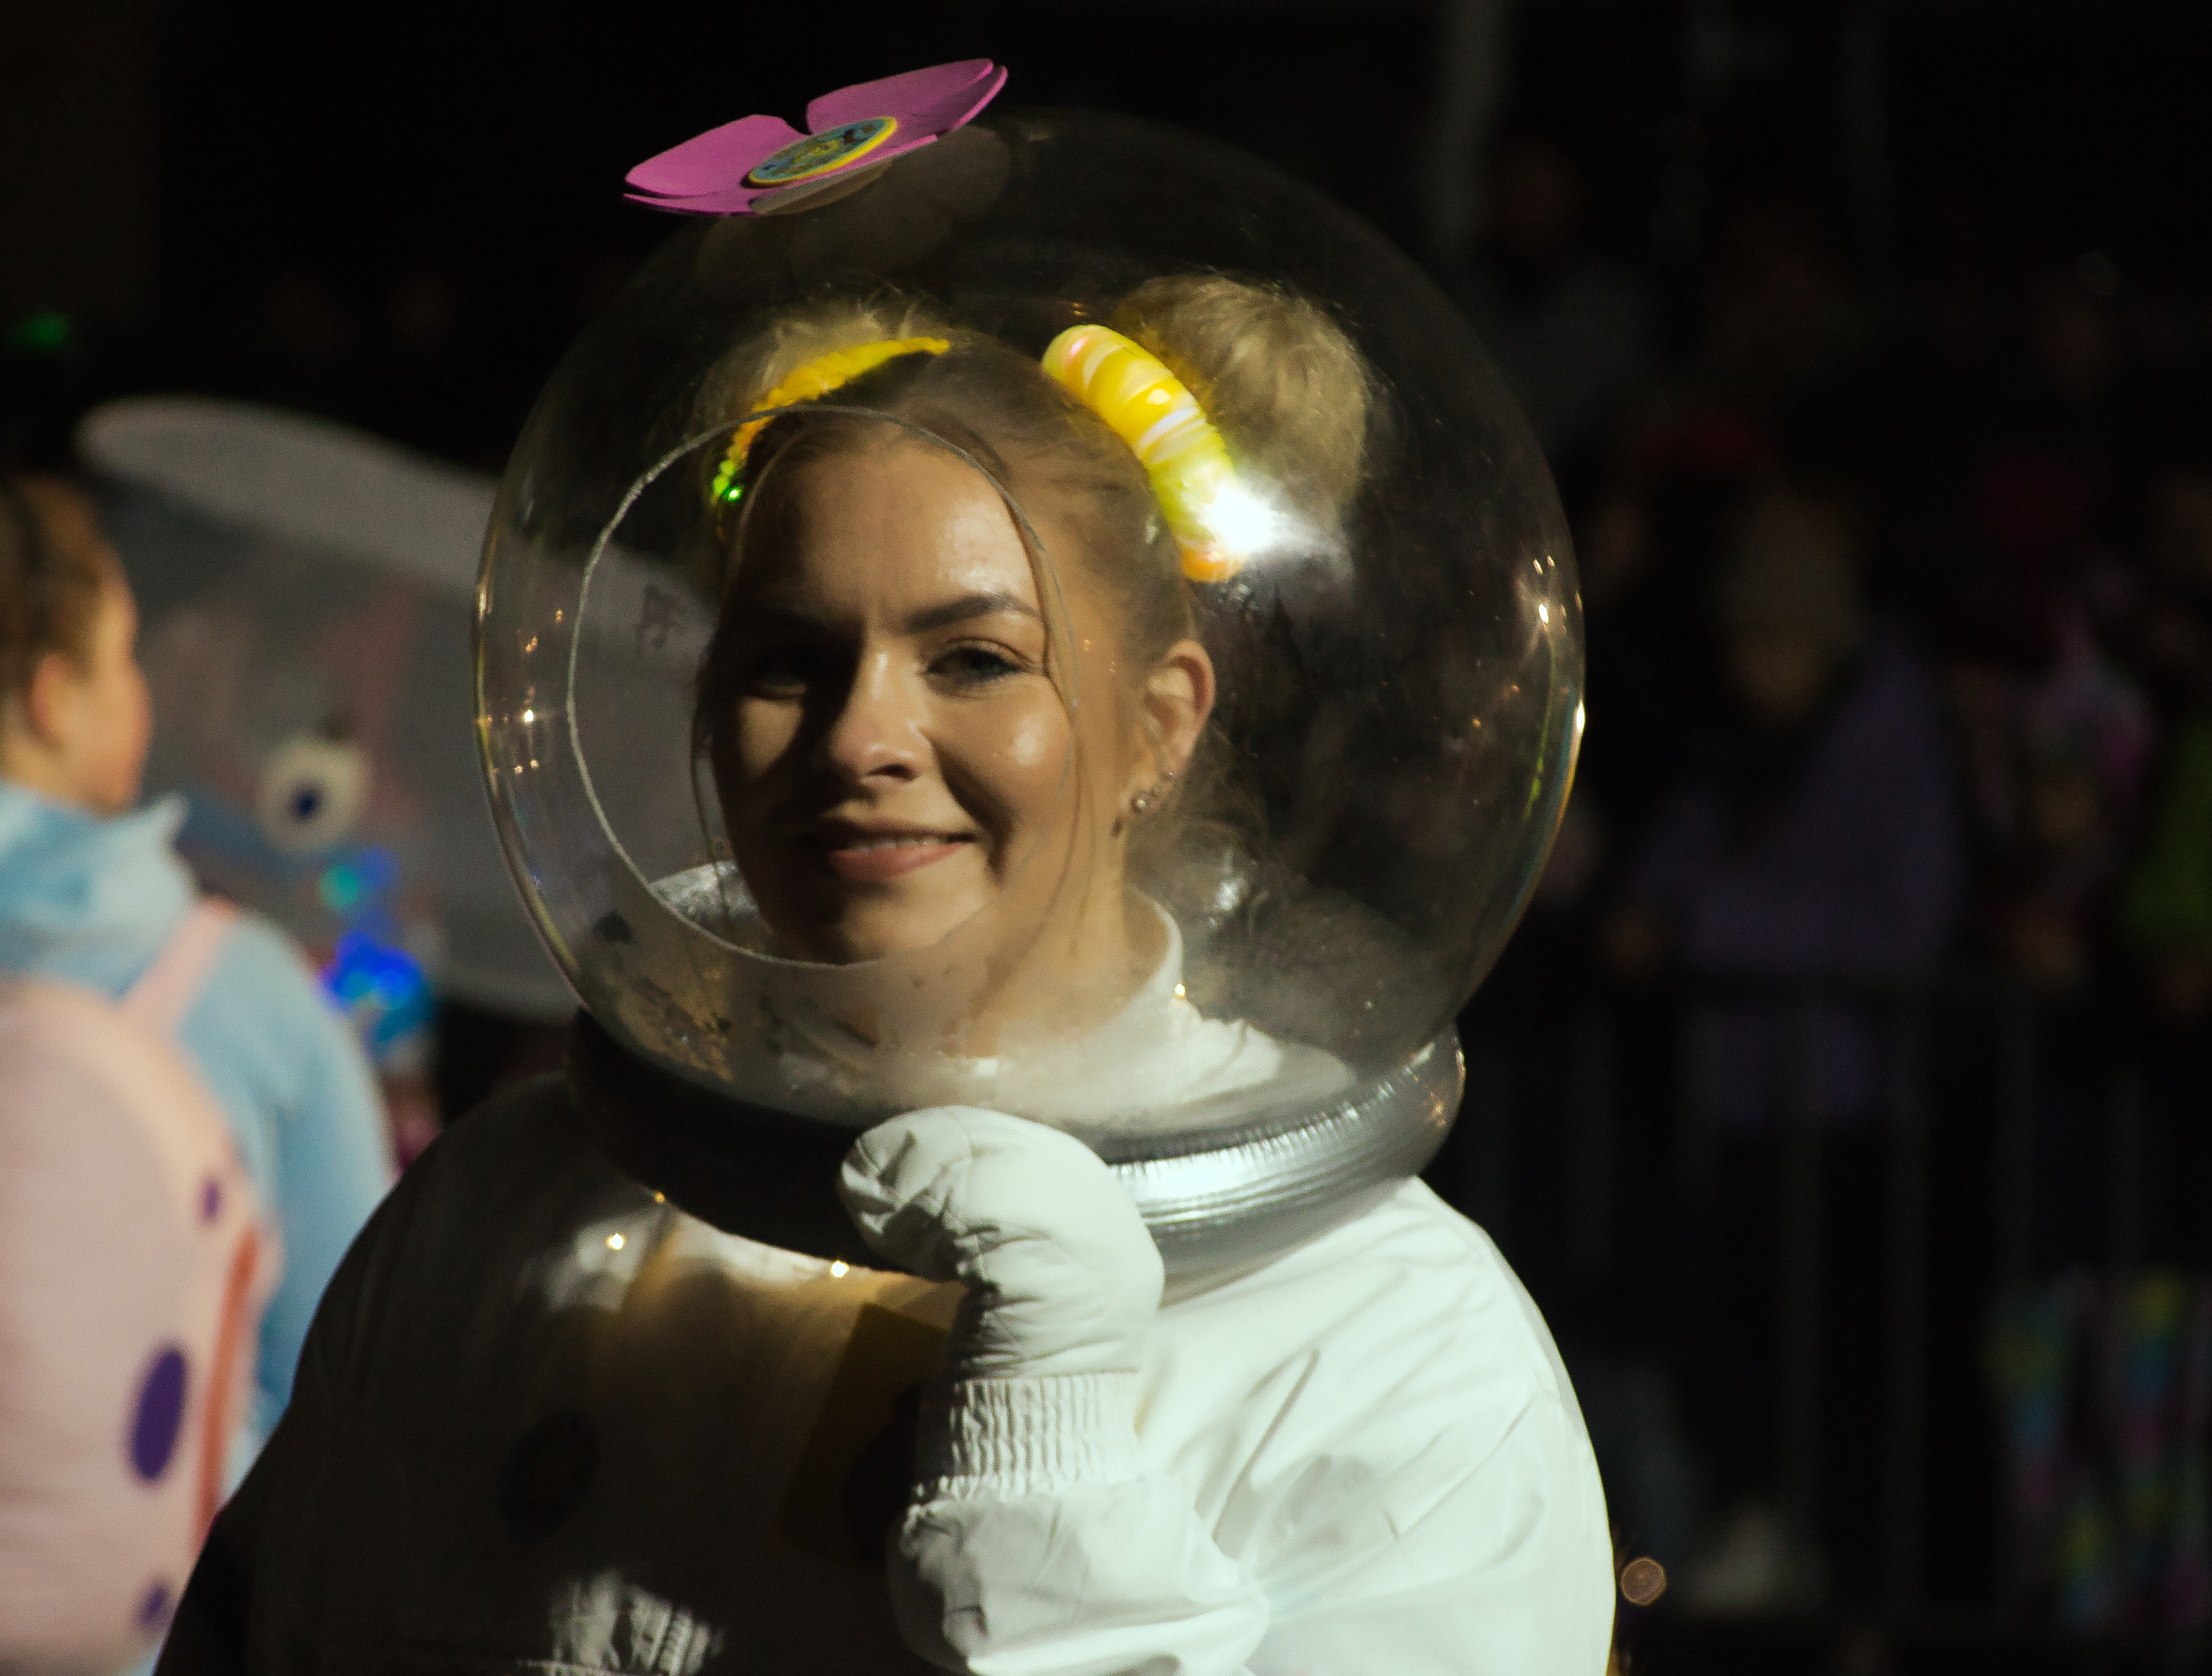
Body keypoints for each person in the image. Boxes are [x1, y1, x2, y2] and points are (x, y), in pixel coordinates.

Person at [163, 73, 1610, 1675]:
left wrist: (1051, 1488)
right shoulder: (508, 1209)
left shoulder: (1394, 1345)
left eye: (975, 656)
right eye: (791, 655)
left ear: (1159, 721)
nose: (863, 734)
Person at [0, 475, 392, 1472]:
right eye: (120, 659)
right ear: (52, 700)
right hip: (148, 1619)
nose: (139, 688)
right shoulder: (245, 995)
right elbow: (353, 1374)